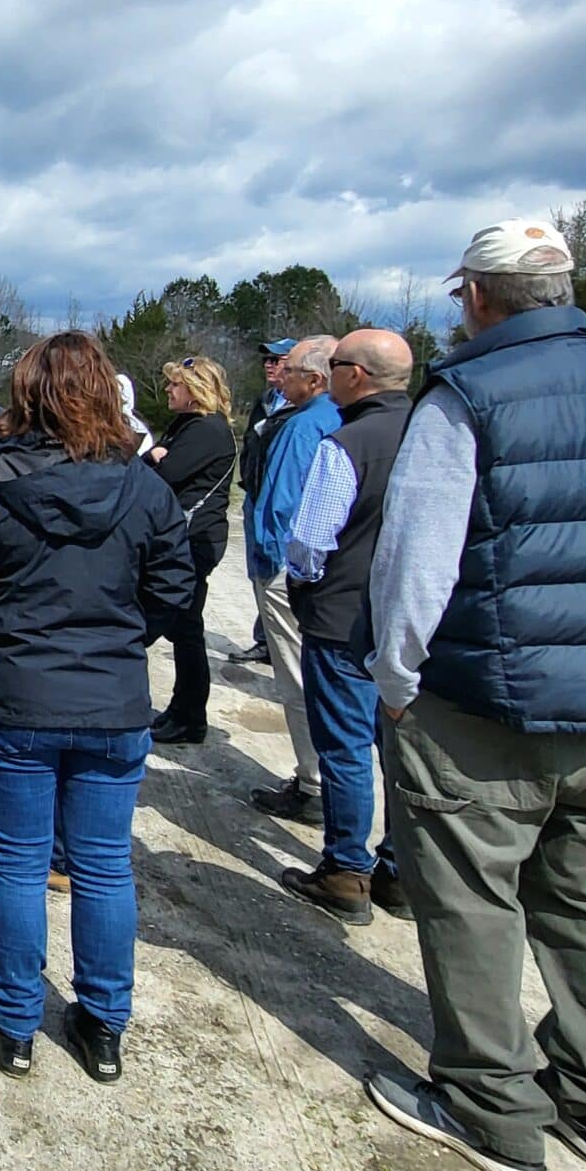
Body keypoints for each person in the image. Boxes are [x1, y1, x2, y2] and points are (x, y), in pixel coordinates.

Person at [365, 218, 586, 1171]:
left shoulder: (466, 393)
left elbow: (415, 562)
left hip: (479, 702)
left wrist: (396, 683)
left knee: (472, 899)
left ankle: (489, 1103)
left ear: (475, 294)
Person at [0, 334, 194, 1083]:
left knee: (22, 863)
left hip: (19, 695)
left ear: (26, 394)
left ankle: (17, 1018)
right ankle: (100, 1022)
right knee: (102, 867)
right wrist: (123, 638)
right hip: (108, 697)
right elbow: (174, 590)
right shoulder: (145, 489)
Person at [274, 328, 415, 924]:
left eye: (334, 365)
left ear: (355, 374)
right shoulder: (440, 432)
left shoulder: (347, 442)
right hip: (413, 619)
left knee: (346, 746)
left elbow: (310, 539)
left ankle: (346, 869)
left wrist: (303, 584)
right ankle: (400, 871)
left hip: (343, 617)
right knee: (401, 748)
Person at [242, 336, 342, 819]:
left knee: (296, 674)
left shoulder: (304, 426)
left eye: (293, 371)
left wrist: (266, 562)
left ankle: (313, 782)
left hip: (287, 567)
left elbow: (278, 502)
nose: (282, 377)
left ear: (316, 379)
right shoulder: (340, 417)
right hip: (326, 571)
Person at [147, 358, 236, 745]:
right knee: (183, 628)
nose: (168, 390)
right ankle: (182, 710)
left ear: (196, 390)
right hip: (182, 536)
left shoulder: (207, 430)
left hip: (195, 538)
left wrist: (153, 458)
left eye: (175, 385)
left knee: (184, 627)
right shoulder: (187, 425)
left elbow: (163, 476)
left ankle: (190, 715)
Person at [224, 338, 301, 663]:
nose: (270, 365)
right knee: (258, 571)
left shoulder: (301, 407)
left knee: (281, 573)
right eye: (266, 360)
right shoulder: (266, 401)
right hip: (255, 497)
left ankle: (286, 643)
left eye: (277, 359)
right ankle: (265, 639)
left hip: (284, 502)